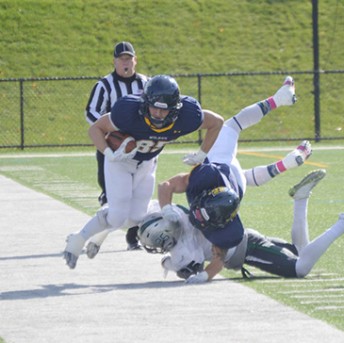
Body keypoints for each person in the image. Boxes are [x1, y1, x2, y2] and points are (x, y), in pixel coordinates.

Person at [157, 76, 312, 283]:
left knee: (246, 178)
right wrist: (166, 209)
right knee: (232, 125)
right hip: (221, 170)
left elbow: (218, 257)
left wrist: (204, 275)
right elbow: (165, 185)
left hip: (237, 187)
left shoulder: (190, 246)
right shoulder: (189, 230)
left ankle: (285, 164)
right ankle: (277, 100)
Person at [62, 74, 224, 269]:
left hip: (148, 162)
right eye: (153, 107)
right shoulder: (128, 111)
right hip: (120, 162)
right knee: (117, 216)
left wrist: (202, 153)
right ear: (144, 103)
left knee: (136, 217)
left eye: (164, 110)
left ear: (175, 109)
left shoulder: (188, 115)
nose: (157, 114)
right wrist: (109, 153)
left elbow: (217, 122)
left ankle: (100, 234)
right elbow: (95, 129)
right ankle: (77, 240)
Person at [138, 169, 344, 283]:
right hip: (244, 241)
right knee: (301, 251)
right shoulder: (178, 217)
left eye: (160, 241)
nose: (161, 246)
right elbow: (164, 190)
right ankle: (301, 199)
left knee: (300, 269)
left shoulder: (183, 243)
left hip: (246, 249)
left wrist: (202, 275)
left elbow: (218, 260)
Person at [85, 41, 149, 250]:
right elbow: (91, 112)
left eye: (129, 58)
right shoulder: (104, 85)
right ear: (114, 61)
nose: (126, 63)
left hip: (139, 148)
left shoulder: (146, 84)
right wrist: (113, 132)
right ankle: (96, 234)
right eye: (121, 59)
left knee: (137, 194)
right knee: (110, 197)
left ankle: (132, 237)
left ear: (135, 60)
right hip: (111, 148)